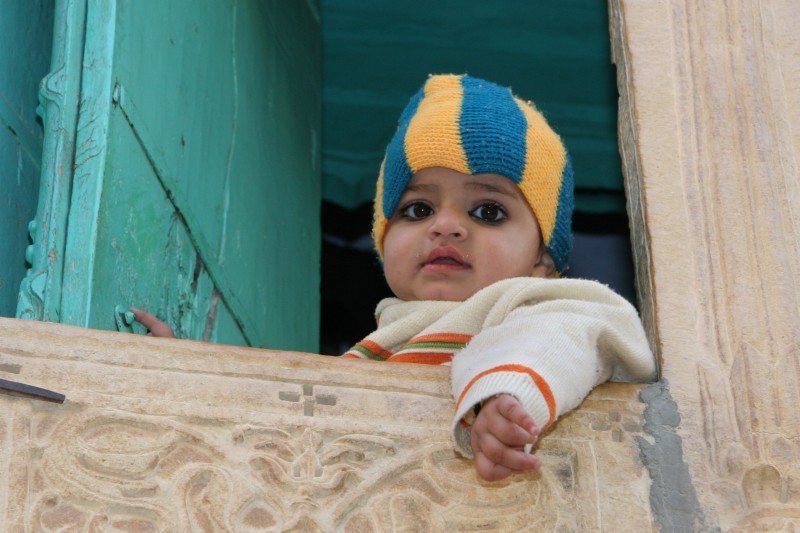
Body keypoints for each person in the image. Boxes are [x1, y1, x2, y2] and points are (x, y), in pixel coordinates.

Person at [133, 73, 657, 482]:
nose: (446, 226)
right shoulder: (375, 350)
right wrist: (191, 381)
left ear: (543, 260)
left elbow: (578, 331)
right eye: (417, 208)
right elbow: (281, 432)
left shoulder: (535, 305)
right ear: (383, 242)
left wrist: (508, 397)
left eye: (488, 212)